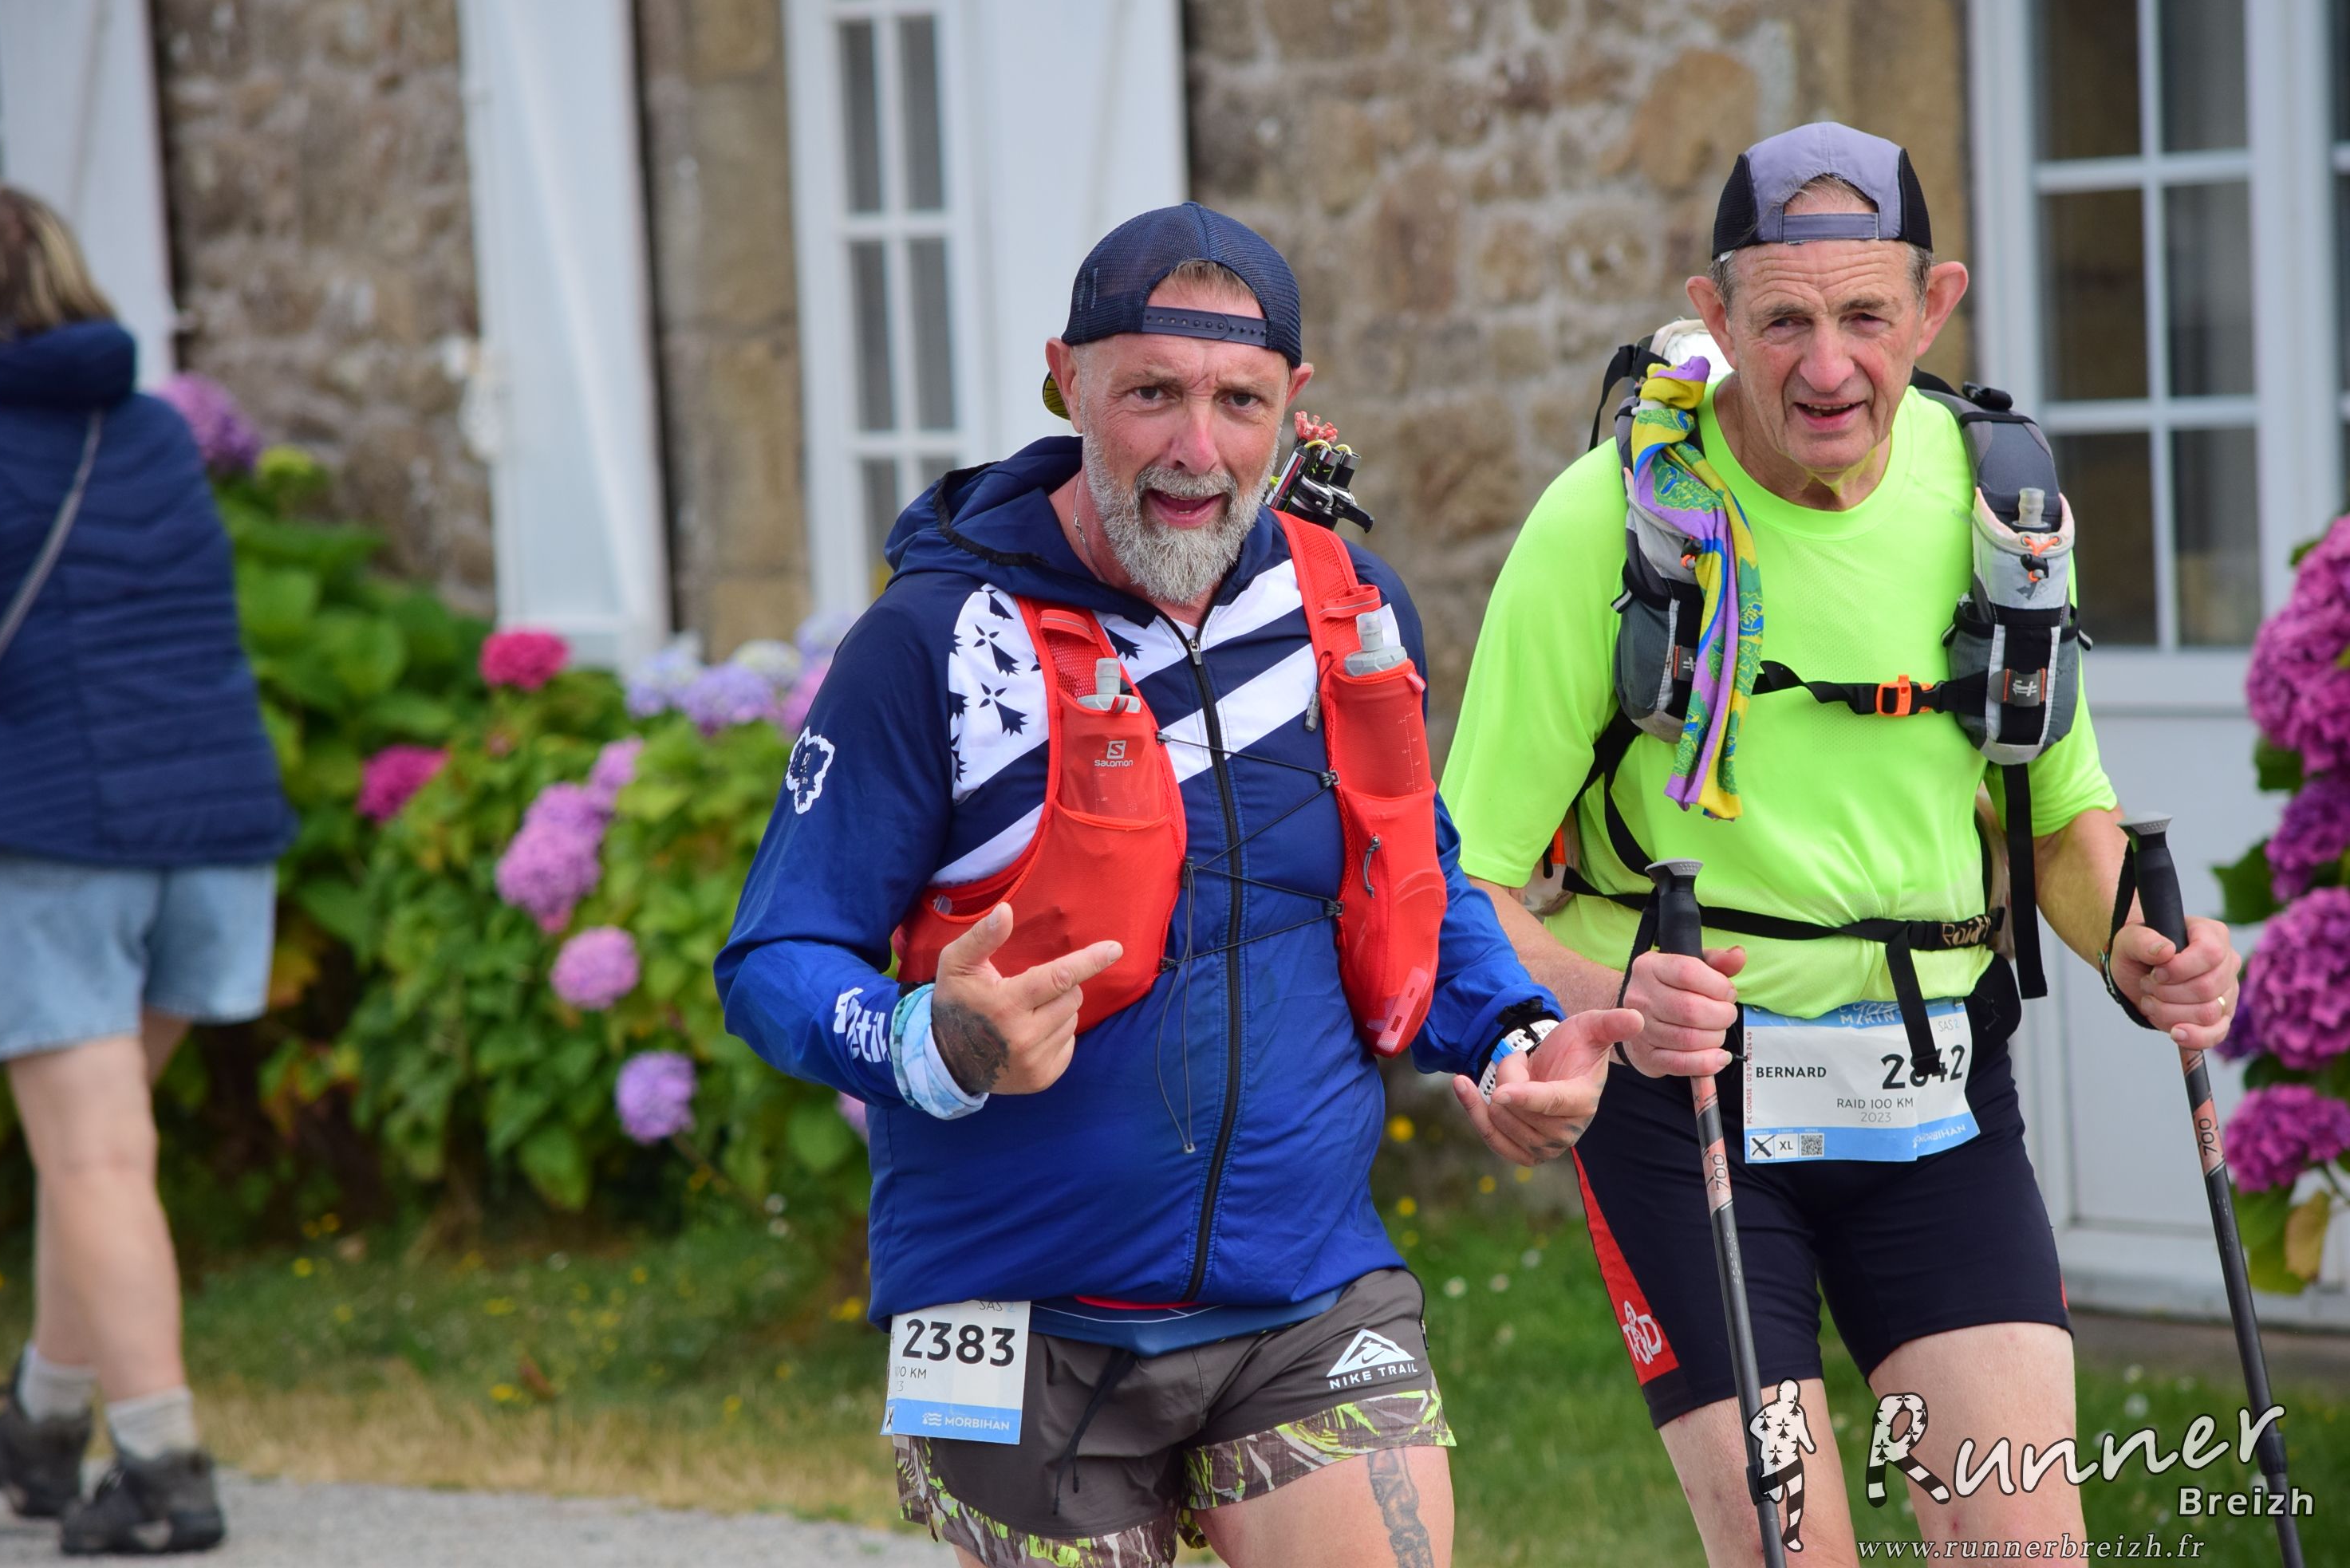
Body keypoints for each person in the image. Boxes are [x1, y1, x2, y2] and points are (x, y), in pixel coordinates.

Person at [717, 203, 1636, 1568]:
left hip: (1308, 1288)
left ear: (1292, 403)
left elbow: (1413, 880)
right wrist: (929, 1040)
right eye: (1151, 393)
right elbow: (776, 958)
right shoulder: (936, 641)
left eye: (1238, 401)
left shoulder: (1348, 607)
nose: (1197, 450)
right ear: (1067, 381)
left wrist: (1509, 1035)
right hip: (1018, 1311)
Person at [1440, 124, 2241, 1564]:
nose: (1827, 367)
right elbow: (1463, 881)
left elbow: (2060, 813)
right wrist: (1603, 999)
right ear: (1713, 313)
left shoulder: (2003, 499)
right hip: (1690, 1104)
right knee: (1789, 1546)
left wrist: (2137, 941)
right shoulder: (1611, 523)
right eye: (1783, 323)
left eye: (1867, 317)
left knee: (2027, 1546)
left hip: (1935, 1094)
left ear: (1934, 306)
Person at [0, 183, 292, 1555]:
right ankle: (44, 1422)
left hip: (58, 842)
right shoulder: (150, 427)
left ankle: (161, 1465)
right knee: (95, 1149)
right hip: (215, 835)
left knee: (95, 1154)